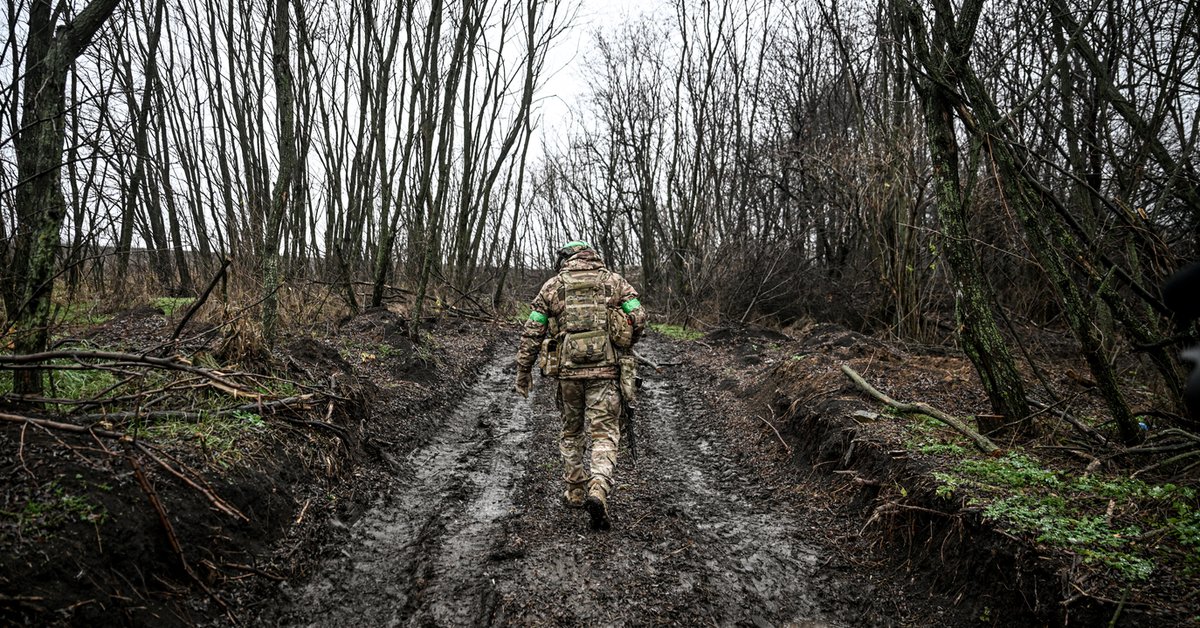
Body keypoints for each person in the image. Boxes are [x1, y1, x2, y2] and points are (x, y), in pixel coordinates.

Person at [514, 241, 647, 530]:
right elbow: (639, 316)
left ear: (565, 259)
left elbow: (533, 330)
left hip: (568, 375)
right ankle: (598, 487)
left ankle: (575, 491)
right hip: (606, 373)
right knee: (605, 434)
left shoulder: (552, 286)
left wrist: (524, 370)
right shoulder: (615, 282)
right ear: (592, 256)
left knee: (571, 432)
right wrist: (625, 338)